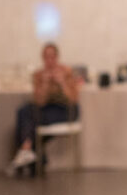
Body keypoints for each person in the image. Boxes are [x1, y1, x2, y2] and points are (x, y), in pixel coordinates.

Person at [6, 42, 79, 176]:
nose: (49, 60)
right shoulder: (39, 75)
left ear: (57, 57)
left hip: (66, 110)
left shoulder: (67, 71)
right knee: (24, 111)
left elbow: (73, 99)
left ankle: (27, 152)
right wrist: (45, 84)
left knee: (30, 119)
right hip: (47, 109)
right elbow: (39, 102)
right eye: (46, 57)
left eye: (52, 56)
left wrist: (62, 83)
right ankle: (28, 151)